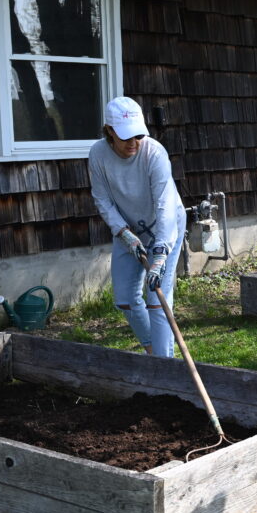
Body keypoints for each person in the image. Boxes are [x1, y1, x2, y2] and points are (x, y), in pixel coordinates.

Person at [89, 96, 186, 357]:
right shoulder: (98, 154)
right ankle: (153, 351)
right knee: (124, 299)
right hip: (128, 229)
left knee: (158, 300)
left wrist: (161, 253)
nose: (134, 143)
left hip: (165, 226)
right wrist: (123, 232)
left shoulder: (154, 153)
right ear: (110, 131)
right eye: (126, 137)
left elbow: (165, 204)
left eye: (138, 136)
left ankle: (164, 367)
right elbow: (102, 198)